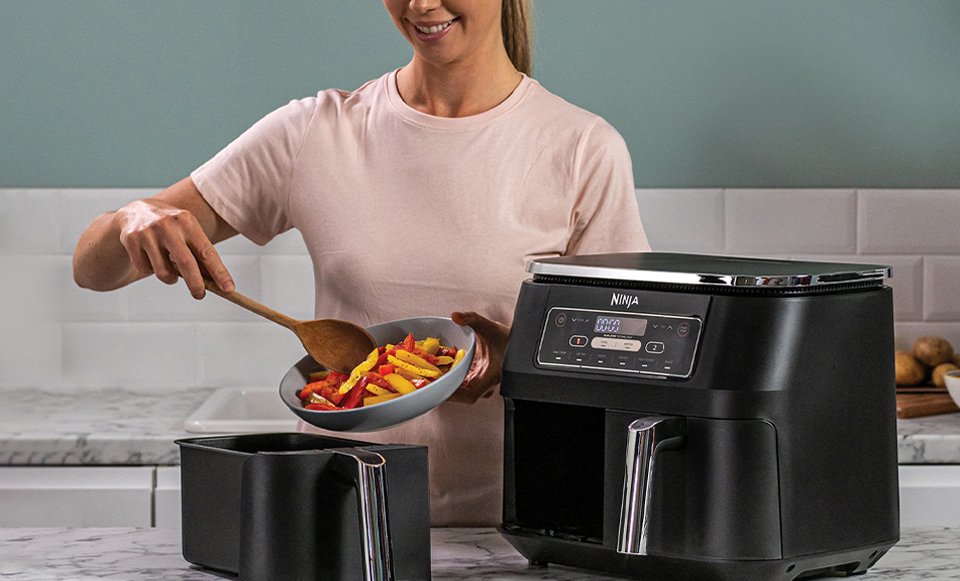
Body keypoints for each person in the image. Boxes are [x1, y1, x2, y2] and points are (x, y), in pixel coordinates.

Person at [72, 0, 650, 526]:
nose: (421, 5)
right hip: (344, 522)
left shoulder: (581, 147)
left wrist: (517, 357)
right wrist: (133, 218)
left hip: (515, 529)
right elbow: (92, 270)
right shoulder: (314, 131)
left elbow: (630, 352)